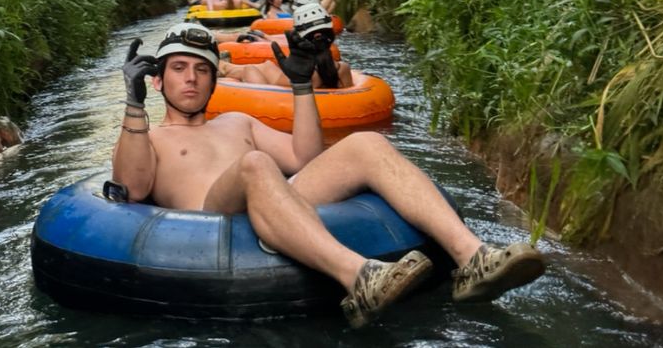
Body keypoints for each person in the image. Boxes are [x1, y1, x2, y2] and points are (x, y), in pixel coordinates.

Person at [112, 22, 546, 328]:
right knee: (256, 164)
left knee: (364, 143)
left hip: (269, 196)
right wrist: (132, 104)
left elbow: (305, 157)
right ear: (158, 81)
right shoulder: (148, 137)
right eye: (179, 68)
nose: (191, 78)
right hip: (209, 218)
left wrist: (302, 86)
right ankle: (358, 278)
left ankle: (473, 257)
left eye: (201, 69)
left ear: (213, 80)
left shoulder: (237, 122)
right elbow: (131, 188)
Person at [218, 3, 352, 88]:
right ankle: (222, 66)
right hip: (275, 74)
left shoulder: (307, 72)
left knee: (248, 69)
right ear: (331, 35)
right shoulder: (343, 68)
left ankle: (221, 67)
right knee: (263, 66)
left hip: (270, 79)